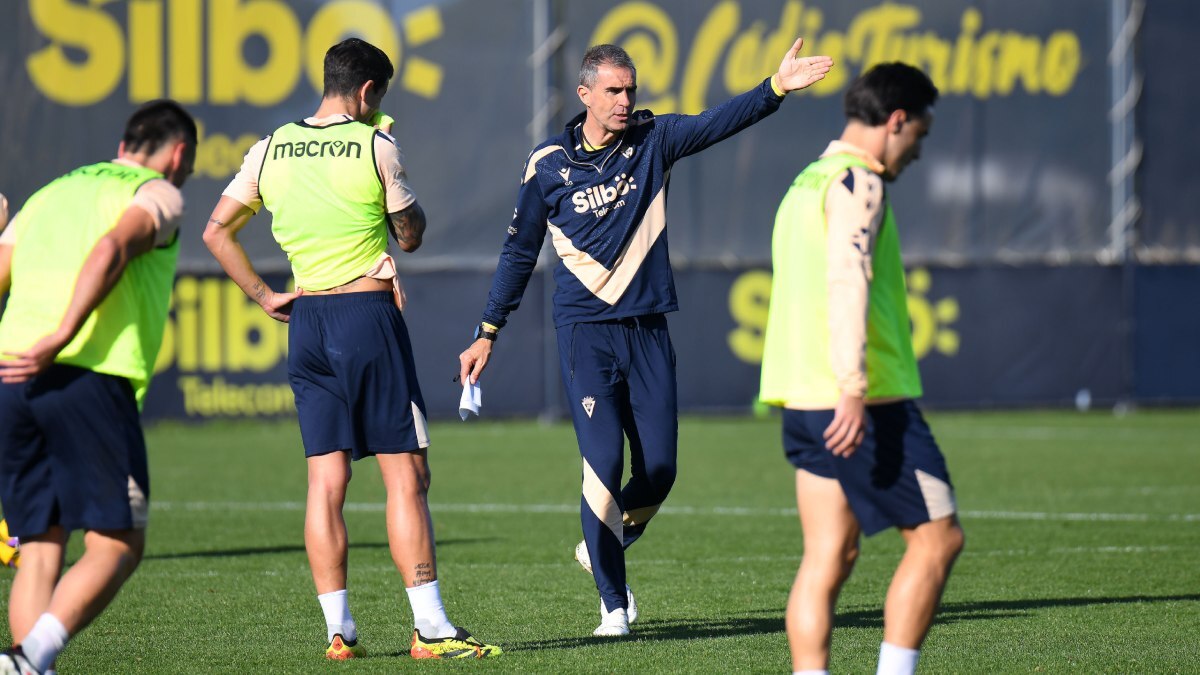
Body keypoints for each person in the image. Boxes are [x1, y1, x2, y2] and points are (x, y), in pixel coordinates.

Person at [458, 40, 834, 637]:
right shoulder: (548, 164)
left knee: (659, 469)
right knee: (604, 465)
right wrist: (488, 330)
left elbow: (717, 123)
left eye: (630, 89)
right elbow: (518, 250)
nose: (625, 100)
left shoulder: (652, 140)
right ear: (584, 95)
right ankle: (612, 605)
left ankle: (603, 542)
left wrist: (776, 88)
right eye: (613, 90)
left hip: (649, 328)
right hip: (586, 333)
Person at [202, 37, 500, 660]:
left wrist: (262, 294)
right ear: (368, 92)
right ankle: (432, 629)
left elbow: (215, 230)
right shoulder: (375, 144)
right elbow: (411, 236)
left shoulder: (270, 146)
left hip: (306, 318)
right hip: (366, 316)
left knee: (325, 482)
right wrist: (391, 168)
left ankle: (340, 633)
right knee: (407, 476)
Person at [759, 62, 965, 675]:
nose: (917, 152)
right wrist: (852, 388)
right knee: (938, 539)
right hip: (861, 403)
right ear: (896, 121)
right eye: (918, 137)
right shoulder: (859, 183)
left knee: (829, 555)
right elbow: (847, 284)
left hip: (801, 401)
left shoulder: (805, 181)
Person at [0, 100, 197, 674]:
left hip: (11, 379)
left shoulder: (48, 194)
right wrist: (61, 335)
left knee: (39, 549)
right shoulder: (156, 192)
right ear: (178, 153)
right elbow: (113, 248)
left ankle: (27, 667)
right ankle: (30, 656)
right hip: (84, 375)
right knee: (118, 544)